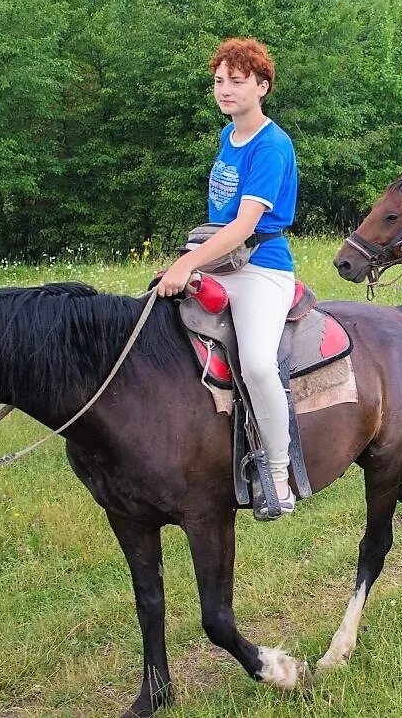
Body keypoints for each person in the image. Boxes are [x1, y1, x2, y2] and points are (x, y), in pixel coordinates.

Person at [156, 37, 299, 519]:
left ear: (263, 86)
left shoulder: (271, 145)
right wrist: (191, 260)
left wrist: (186, 266)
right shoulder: (228, 136)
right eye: (219, 80)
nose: (225, 89)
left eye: (236, 81)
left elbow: (243, 226)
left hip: (262, 268)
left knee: (258, 364)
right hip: (219, 261)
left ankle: (279, 474)